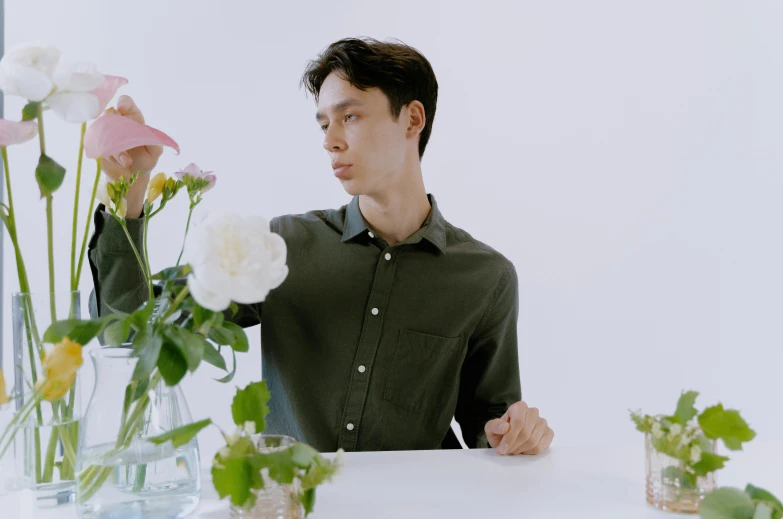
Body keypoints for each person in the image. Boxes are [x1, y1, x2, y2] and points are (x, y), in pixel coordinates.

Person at [88, 37, 554, 456]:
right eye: (324, 124)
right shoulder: (279, 246)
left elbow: (487, 426)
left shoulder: (486, 278)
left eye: (349, 117)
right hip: (291, 504)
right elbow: (130, 333)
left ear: (412, 119)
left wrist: (513, 433)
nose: (330, 141)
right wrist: (132, 192)